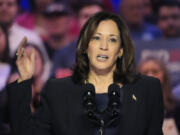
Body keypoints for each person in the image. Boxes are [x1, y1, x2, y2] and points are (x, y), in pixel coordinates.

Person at [8, 11, 163, 135]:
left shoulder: (148, 89)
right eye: (96, 38)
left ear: (121, 51)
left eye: (112, 40)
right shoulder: (58, 90)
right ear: (85, 47)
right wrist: (24, 79)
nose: (104, 46)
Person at [138, 57, 180, 134]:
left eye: (155, 72)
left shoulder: (176, 107)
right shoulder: (129, 107)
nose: (150, 76)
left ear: (164, 75)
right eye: (145, 72)